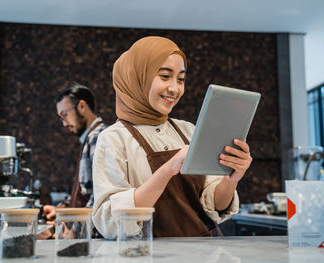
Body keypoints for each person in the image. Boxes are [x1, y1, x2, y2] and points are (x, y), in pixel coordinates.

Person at [91, 36, 252, 239]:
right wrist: (167, 169)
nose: (175, 89)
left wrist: (231, 179)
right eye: (165, 76)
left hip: (205, 254)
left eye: (181, 79)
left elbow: (216, 206)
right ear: (137, 76)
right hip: (151, 257)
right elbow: (111, 223)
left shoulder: (188, 131)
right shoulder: (113, 139)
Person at [42, 82, 107, 235]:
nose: (64, 124)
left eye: (65, 115)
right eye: (61, 118)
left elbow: (99, 196)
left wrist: (75, 232)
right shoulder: (91, 137)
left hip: (95, 240)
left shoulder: (98, 137)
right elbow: (86, 192)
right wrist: (63, 209)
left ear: (82, 106)